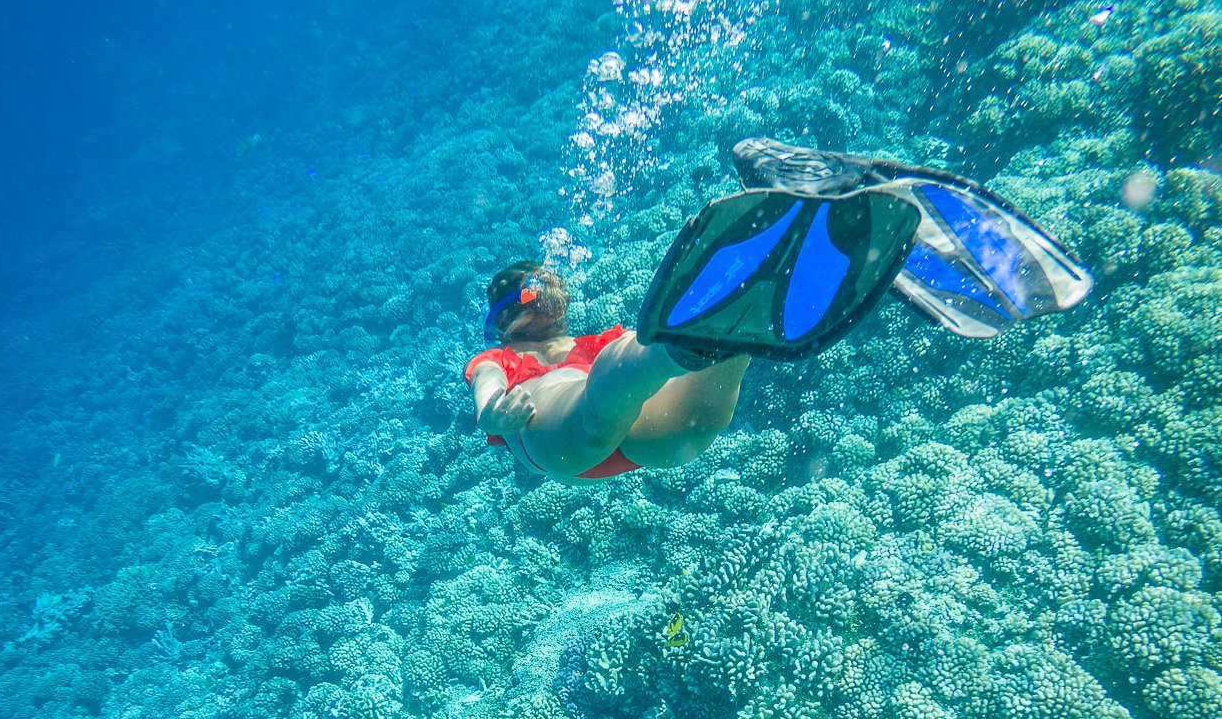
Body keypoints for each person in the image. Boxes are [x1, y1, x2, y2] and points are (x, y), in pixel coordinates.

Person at [466, 142, 1094, 485]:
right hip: (553, 434)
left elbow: (620, 363)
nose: (542, 300)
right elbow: (489, 390)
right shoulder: (498, 359)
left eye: (548, 287)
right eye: (525, 297)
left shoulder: (604, 339)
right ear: (501, 320)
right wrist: (495, 406)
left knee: (649, 366)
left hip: (633, 423)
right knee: (613, 382)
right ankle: (732, 312)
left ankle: (749, 274)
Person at [465, 263, 750, 484]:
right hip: (616, 430)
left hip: (566, 446)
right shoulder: (599, 344)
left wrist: (490, 410)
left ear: (501, 320)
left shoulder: (500, 357)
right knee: (692, 413)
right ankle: (733, 318)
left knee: (694, 419)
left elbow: (487, 379)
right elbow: (488, 383)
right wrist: (490, 410)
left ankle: (737, 328)